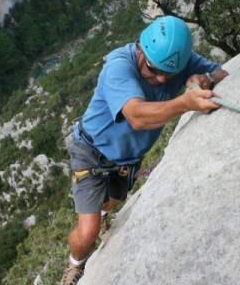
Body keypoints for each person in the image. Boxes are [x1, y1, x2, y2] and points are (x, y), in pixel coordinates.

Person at [60, 15, 229, 285]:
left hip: (127, 157)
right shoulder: (119, 64)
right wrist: (187, 102)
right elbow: (136, 115)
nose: (162, 78)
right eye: (154, 69)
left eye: (169, 73)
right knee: (89, 232)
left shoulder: (177, 61)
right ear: (141, 48)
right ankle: (74, 266)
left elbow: (224, 72)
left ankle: (103, 213)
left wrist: (206, 76)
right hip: (90, 151)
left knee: (115, 199)